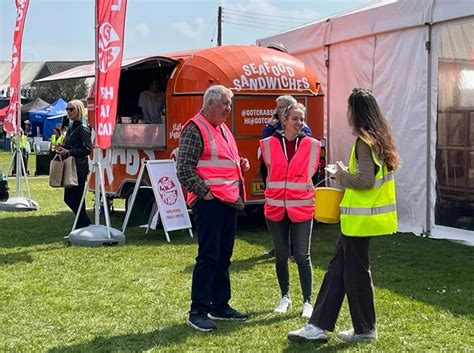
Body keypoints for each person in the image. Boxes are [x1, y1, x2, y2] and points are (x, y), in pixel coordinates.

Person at [288, 88, 400, 343]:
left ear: (356, 113)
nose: (347, 114)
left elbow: (364, 181)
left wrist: (340, 174)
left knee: (352, 274)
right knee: (339, 271)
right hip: (361, 222)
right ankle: (322, 325)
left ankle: (362, 329)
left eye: (349, 110)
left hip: (359, 223)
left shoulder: (364, 142)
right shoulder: (376, 140)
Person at [177, 85, 250, 332]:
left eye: (230, 105)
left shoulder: (223, 128)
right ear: (210, 103)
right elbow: (184, 168)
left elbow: (222, 159)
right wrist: (205, 193)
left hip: (228, 201)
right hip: (210, 203)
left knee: (223, 257)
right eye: (225, 104)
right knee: (209, 256)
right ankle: (198, 310)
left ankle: (220, 305)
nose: (229, 109)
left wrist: (240, 164)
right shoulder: (194, 128)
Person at [260, 103, 321, 319]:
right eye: (295, 118)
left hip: (302, 207)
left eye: (302, 119)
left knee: (303, 256)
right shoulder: (268, 144)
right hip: (276, 207)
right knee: (281, 255)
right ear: (284, 119)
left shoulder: (312, 145)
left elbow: (312, 175)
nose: (299, 123)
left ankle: (307, 301)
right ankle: (285, 296)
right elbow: (263, 172)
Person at [261, 95, 308, 258]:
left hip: (294, 179)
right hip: (275, 175)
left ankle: (295, 248)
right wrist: (271, 123)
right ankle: (280, 246)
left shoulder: (301, 125)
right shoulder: (276, 124)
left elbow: (306, 144)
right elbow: (264, 138)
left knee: (294, 215)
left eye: (280, 107)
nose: (277, 110)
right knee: (279, 215)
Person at [55, 100, 92, 229]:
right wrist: (62, 148)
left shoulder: (83, 128)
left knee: (75, 197)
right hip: (71, 165)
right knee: (71, 197)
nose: (68, 112)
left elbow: (87, 149)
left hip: (79, 167)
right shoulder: (72, 127)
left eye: (71, 109)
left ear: (79, 110)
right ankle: (83, 223)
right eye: (67, 109)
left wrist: (69, 151)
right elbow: (71, 145)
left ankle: (84, 223)